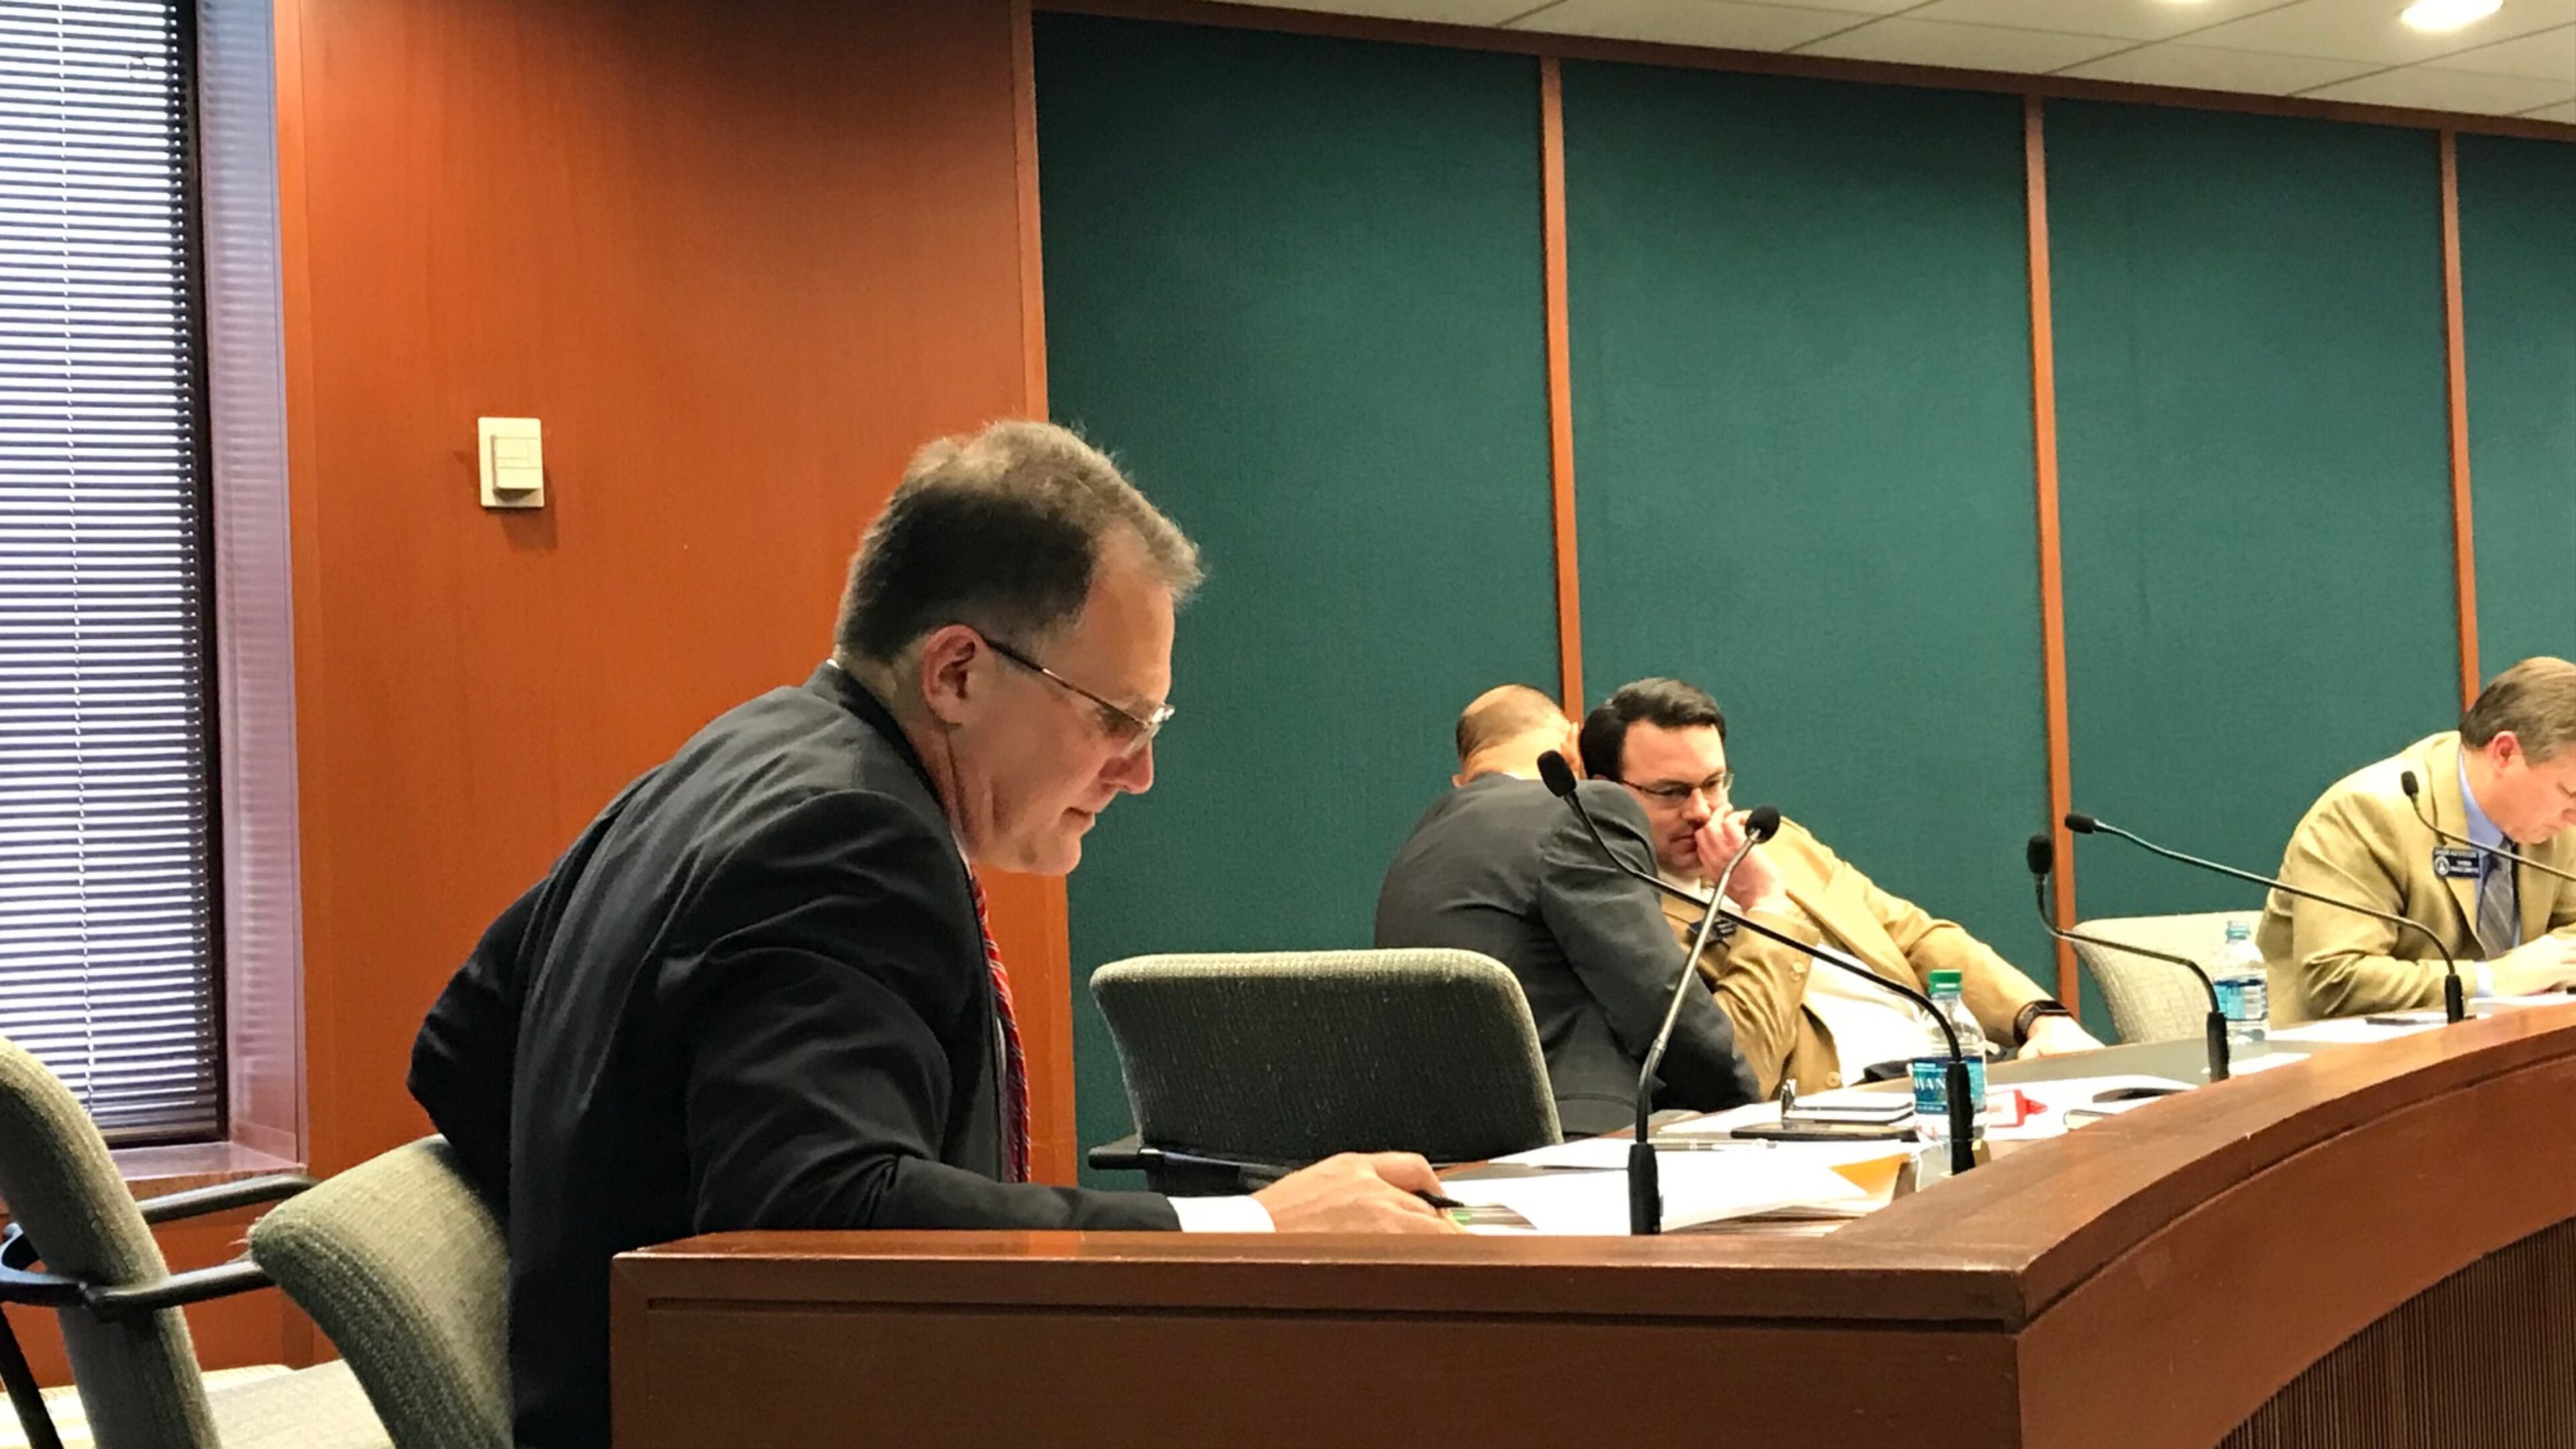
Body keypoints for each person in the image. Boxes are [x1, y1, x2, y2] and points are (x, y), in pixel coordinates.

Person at [410, 421, 1455, 1449]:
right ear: (956, 673)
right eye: (1115, 717)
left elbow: (460, 1051)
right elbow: (821, 1205)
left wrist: (618, 1228)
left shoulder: (728, 760)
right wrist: (1253, 1231)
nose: (1139, 770)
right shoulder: (850, 836)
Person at [1578, 678, 2098, 1097]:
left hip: (1955, 1073)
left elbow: (1915, 937)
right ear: (1604, 793)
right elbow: (1739, 1070)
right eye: (1671, 793)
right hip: (1853, 1108)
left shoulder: (1778, 844)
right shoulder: (1628, 910)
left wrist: (2038, 1017)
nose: (1702, 811)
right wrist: (1765, 906)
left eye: (1714, 784)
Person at [1374, 684, 1760, 1136]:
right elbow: (1662, 1003)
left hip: (1441, 1142)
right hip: (1573, 1142)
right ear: (1573, 746)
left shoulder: (1419, 845)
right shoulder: (1579, 812)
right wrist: (1748, 1110)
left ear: (1466, 774)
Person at [2262, 656, 2576, 1021]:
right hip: (2352, 1064)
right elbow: (2337, 979)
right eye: (2570, 793)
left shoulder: (2554, 826)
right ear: (2505, 753)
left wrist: (2552, 965)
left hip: (2499, 1056)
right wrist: (2495, 978)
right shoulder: (2368, 814)